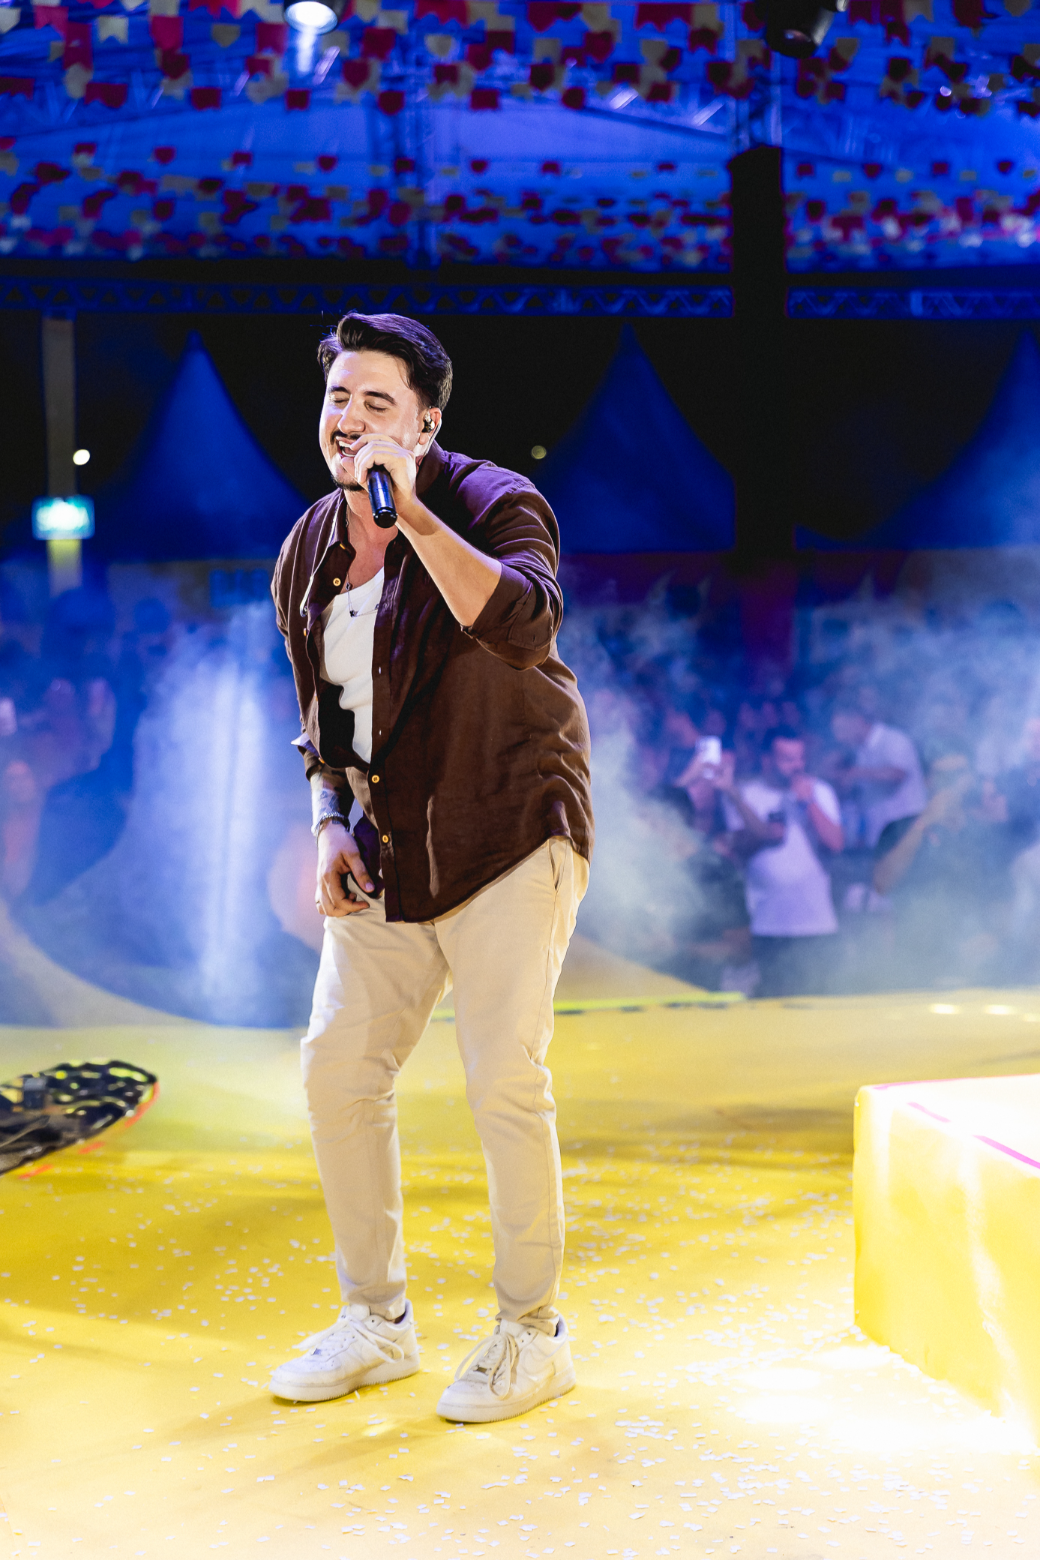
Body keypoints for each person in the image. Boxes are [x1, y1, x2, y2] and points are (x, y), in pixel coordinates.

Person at [269, 313, 593, 1423]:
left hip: (510, 825)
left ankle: (532, 1333)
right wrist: (328, 821)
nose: (349, 420)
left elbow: (524, 626)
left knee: (502, 1074)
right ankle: (377, 1320)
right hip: (388, 843)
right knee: (337, 1067)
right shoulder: (307, 548)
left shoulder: (493, 499)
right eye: (337, 399)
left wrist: (407, 514)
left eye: (377, 403)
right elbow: (323, 719)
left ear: (425, 423)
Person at [873, 749, 1012, 988]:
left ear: (970, 780)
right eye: (941, 776)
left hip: (976, 968)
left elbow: (1003, 901)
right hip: (913, 966)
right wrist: (923, 823)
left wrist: (995, 937)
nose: (949, 785)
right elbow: (882, 885)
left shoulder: (986, 836)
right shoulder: (898, 829)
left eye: (957, 775)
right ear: (928, 781)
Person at [723, 726, 844, 997]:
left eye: (800, 758)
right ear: (767, 760)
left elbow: (836, 843)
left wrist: (808, 803)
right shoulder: (746, 795)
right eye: (787, 759)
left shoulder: (819, 791)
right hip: (769, 925)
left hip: (817, 924)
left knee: (819, 1006)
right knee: (775, 1004)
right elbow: (737, 850)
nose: (796, 766)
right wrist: (766, 835)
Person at [829, 696, 927, 850]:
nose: (838, 737)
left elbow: (898, 774)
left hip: (907, 836)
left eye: (841, 730)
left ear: (857, 720)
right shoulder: (858, 752)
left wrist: (854, 773)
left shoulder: (894, 739)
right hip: (880, 842)